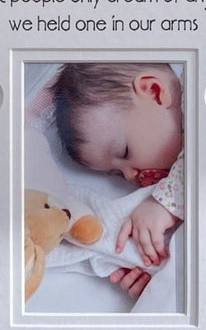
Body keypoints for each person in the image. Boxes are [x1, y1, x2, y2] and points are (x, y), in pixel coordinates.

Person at [50, 62, 184, 298]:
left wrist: (164, 203)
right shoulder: (166, 175)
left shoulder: (204, 102)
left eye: (124, 152)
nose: (131, 175)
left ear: (154, 91)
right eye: (117, 173)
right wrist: (152, 267)